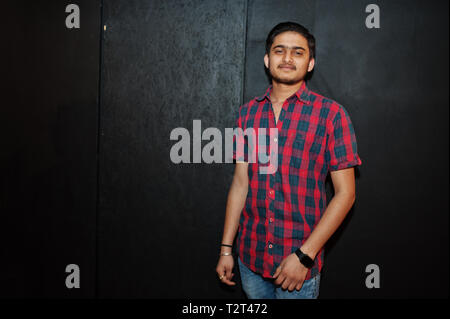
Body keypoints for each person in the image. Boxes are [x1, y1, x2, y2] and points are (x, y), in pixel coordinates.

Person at [215, 21, 362, 299]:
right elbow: (240, 184)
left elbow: (346, 194)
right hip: (250, 259)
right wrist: (226, 249)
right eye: (280, 51)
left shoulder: (331, 115)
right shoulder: (248, 114)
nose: (287, 58)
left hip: (298, 265)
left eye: (298, 52)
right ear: (267, 59)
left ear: (310, 63)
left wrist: (304, 256)